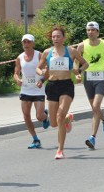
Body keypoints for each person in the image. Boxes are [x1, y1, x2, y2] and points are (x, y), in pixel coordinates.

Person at [36, 25, 88, 160]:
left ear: (63, 38)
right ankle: (67, 119)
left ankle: (60, 150)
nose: (56, 39)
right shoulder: (47, 52)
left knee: (59, 115)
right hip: (52, 86)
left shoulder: (71, 51)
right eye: (53, 36)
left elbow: (85, 63)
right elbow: (38, 68)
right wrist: (41, 76)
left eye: (58, 36)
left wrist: (79, 71)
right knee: (53, 123)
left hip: (66, 86)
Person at [74, 21, 104, 150]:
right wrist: (77, 73)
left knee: (96, 106)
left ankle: (92, 137)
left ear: (97, 32)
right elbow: (76, 61)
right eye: (88, 30)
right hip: (88, 78)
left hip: (101, 77)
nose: (90, 32)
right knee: (94, 108)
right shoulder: (81, 45)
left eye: (93, 30)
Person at [13, 33, 48, 149]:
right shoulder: (20, 57)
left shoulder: (39, 55)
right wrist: (17, 79)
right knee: (26, 115)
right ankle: (35, 139)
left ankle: (45, 116)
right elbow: (16, 73)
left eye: (28, 42)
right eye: (24, 42)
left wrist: (42, 80)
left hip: (38, 90)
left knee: (39, 116)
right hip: (25, 90)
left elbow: (47, 70)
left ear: (33, 43)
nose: (26, 44)